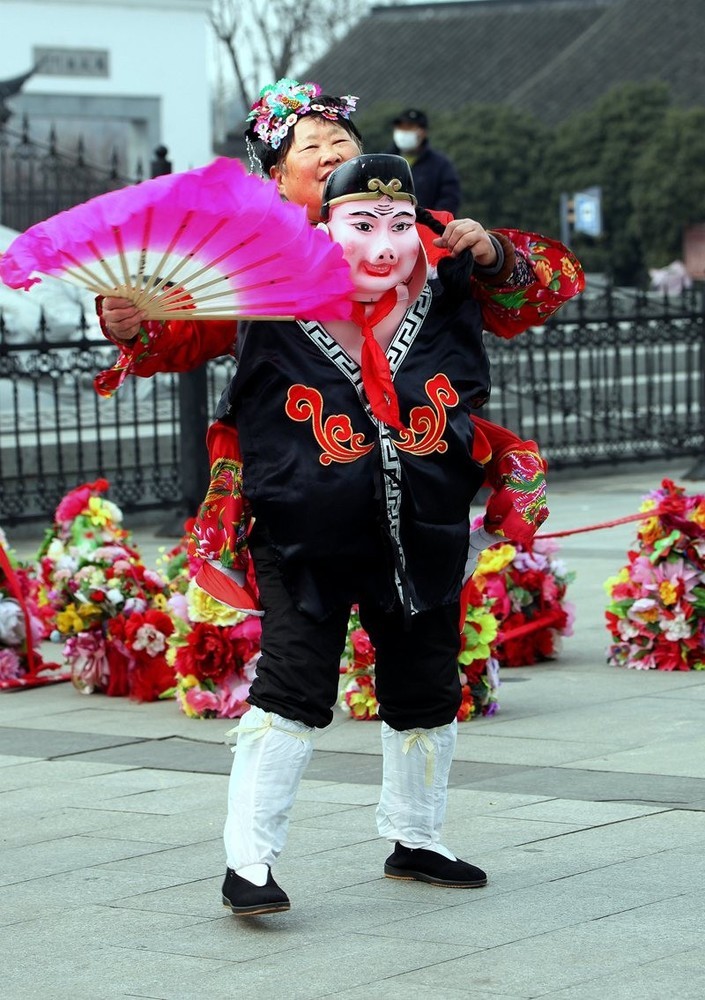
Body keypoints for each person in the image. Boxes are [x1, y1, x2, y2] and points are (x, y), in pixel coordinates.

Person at [96, 79, 584, 916]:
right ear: (276, 178)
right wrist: (134, 323)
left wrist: (494, 255)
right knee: (294, 680)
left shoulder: (435, 242)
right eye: (309, 149)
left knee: (425, 680)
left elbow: (535, 294)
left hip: (422, 510)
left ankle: (416, 838)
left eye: (339, 142)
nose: (329, 155)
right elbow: (178, 330)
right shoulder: (246, 262)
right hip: (301, 513)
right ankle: (248, 862)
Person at [390, 108, 461, 215]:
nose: (404, 132)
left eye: (409, 128)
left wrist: (432, 220)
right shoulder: (384, 161)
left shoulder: (441, 165)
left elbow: (450, 199)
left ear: (423, 132)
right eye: (401, 127)